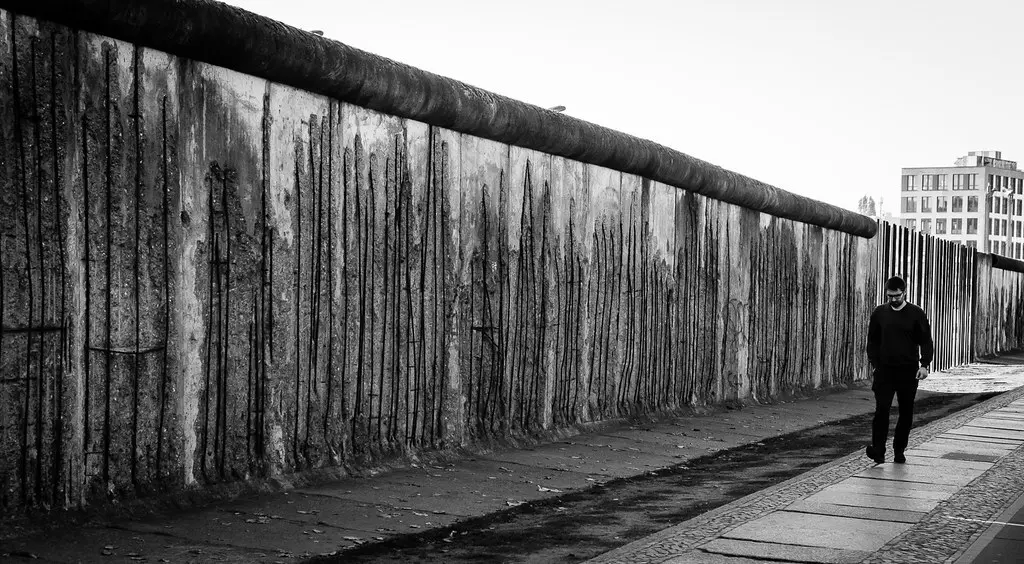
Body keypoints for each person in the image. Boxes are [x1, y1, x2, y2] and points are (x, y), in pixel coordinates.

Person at [865, 275, 933, 464]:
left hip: (908, 371)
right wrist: (875, 364)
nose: (893, 299)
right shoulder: (879, 313)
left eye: (897, 296)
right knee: (881, 411)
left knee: (906, 412)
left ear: (904, 293)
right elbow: (873, 341)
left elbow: (926, 340)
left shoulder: (916, 313)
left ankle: (899, 450)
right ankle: (878, 451)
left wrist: (925, 365)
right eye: (890, 296)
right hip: (884, 371)